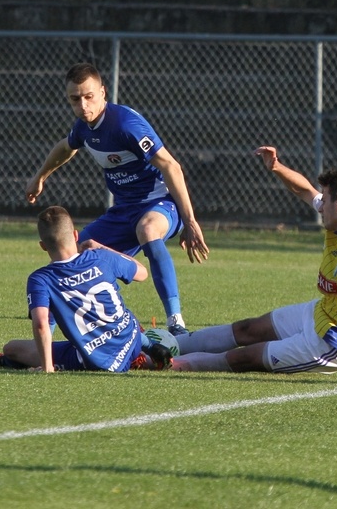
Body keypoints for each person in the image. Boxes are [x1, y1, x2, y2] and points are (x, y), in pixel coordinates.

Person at [172, 146, 337, 379]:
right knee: (248, 329)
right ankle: (169, 344)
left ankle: (165, 363)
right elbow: (305, 190)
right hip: (321, 313)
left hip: (334, 342)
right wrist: (276, 167)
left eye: (326, 200)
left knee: (245, 357)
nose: (321, 207)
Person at [25, 63, 208, 336]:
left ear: (102, 92)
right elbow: (66, 148)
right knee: (71, 252)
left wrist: (190, 221)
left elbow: (172, 167)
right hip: (123, 211)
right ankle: (47, 336)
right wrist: (41, 176)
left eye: (89, 96)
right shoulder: (84, 128)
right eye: (75, 99)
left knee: (147, 229)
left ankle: (176, 323)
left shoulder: (125, 125)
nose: (83, 105)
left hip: (160, 203)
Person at [0, 205, 173, 372]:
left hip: (100, 362)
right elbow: (142, 272)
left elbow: (41, 324)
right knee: (116, 319)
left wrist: (47, 369)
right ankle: (150, 347)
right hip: (131, 339)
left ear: (42, 246)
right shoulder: (101, 257)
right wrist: (102, 247)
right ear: (75, 235)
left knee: (12, 349)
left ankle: (15, 361)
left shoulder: (41, 279)